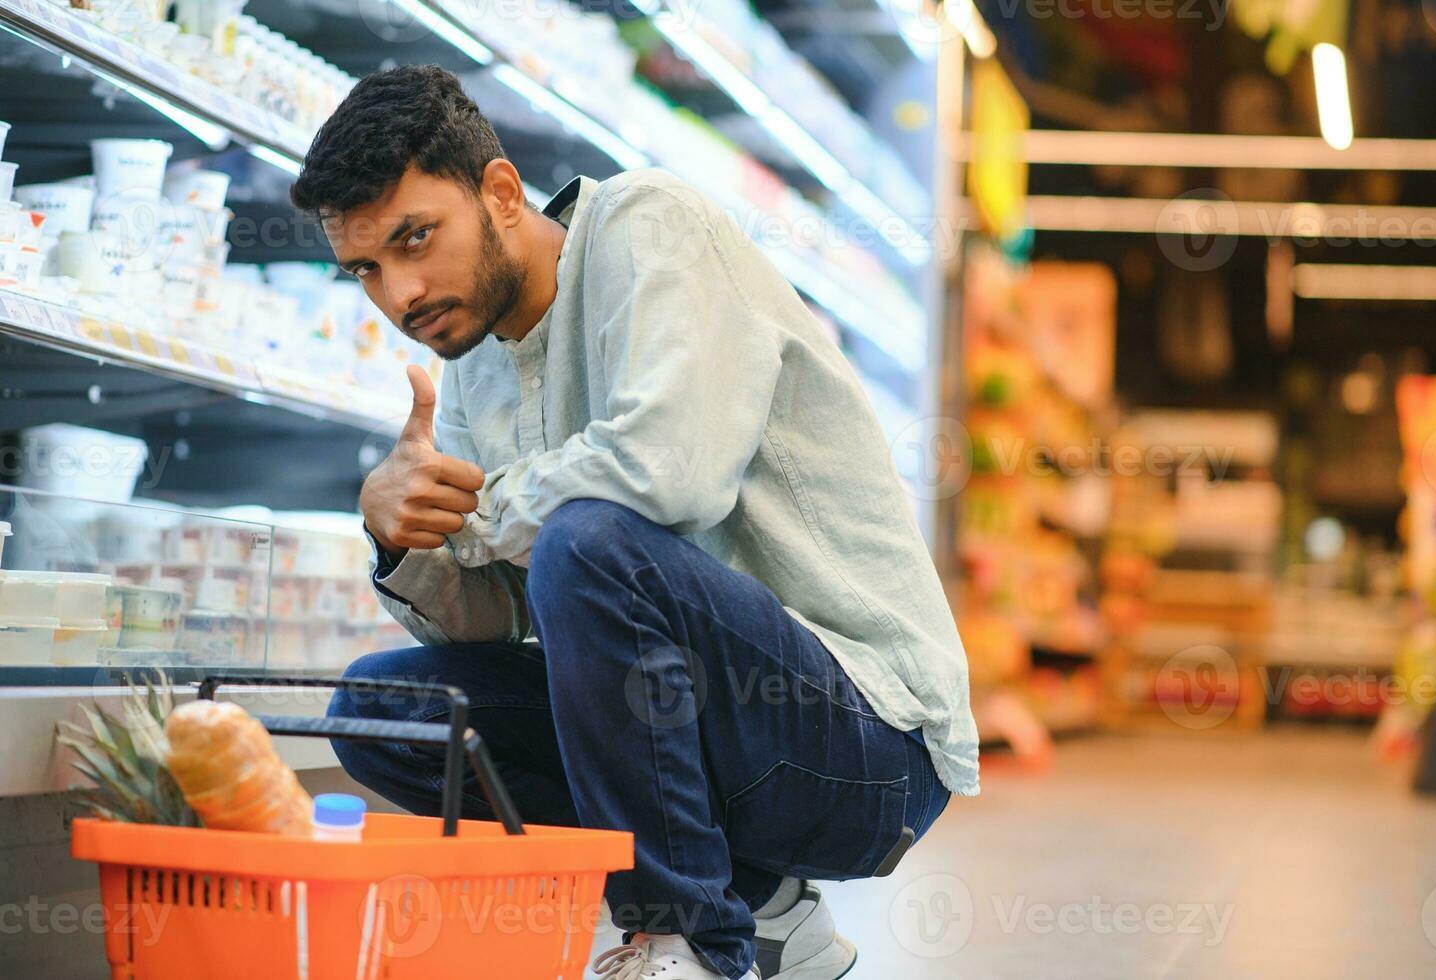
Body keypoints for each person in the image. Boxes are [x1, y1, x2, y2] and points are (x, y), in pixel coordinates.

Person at [292, 64, 980, 980]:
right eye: (368, 268)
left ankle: (690, 941)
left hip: (862, 749)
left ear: (500, 192)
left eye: (419, 238)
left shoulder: (648, 225)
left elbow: (667, 475)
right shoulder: (469, 366)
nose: (401, 293)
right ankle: (764, 910)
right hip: (708, 744)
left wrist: (480, 513)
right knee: (387, 713)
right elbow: (511, 617)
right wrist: (401, 533)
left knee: (589, 538)